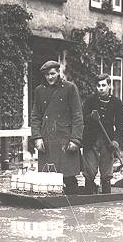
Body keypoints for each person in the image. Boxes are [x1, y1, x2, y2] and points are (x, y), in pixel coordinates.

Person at [30, 60, 84, 195]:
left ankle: (72, 202)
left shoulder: (70, 88)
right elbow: (36, 116)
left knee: (68, 177)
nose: (50, 77)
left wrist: (75, 140)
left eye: (52, 73)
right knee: (48, 176)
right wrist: (37, 137)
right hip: (47, 139)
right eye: (47, 74)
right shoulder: (39, 91)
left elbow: (77, 115)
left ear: (58, 72)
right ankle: (50, 206)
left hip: (64, 139)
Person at [81, 73, 123, 194]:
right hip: (91, 140)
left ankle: (106, 199)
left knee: (106, 173)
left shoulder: (116, 102)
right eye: (98, 85)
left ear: (109, 86)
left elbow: (120, 125)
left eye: (104, 85)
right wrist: (91, 117)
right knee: (89, 171)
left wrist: (116, 141)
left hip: (107, 141)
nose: (101, 88)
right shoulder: (90, 100)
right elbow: (82, 118)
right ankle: (88, 199)